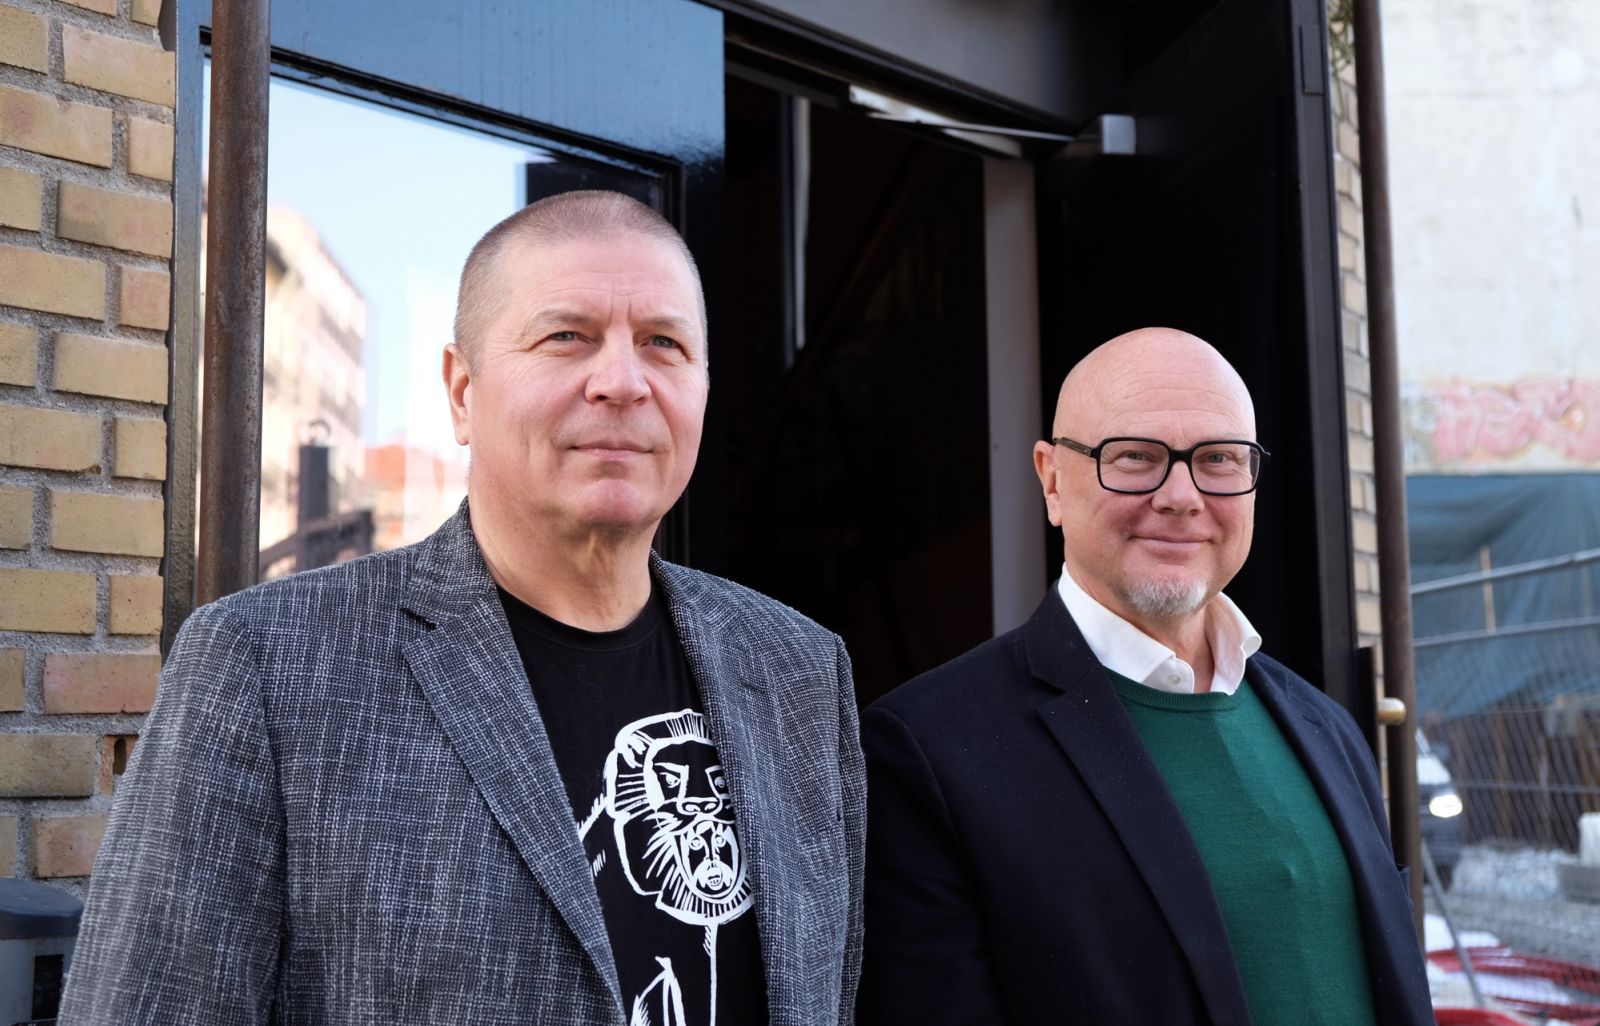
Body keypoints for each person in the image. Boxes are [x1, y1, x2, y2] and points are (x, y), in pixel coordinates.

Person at [61, 191, 864, 1026]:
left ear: (701, 386)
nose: (623, 382)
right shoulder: (267, 666)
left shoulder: (800, 671)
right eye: (567, 336)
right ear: (461, 391)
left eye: (664, 343)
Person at [858, 328, 1431, 1025]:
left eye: (1218, 458)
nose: (1182, 496)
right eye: (1135, 456)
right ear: (1052, 480)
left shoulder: (1328, 727)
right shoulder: (928, 751)